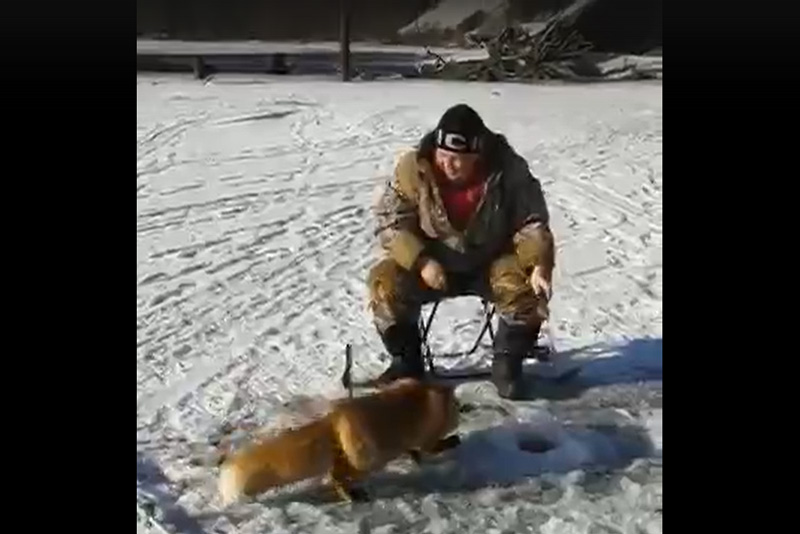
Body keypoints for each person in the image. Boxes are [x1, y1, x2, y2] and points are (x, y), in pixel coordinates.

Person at [367, 103, 556, 399]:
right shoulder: (413, 169)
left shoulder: (509, 171)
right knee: (385, 283)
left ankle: (508, 365)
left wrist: (539, 264)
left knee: (526, 289)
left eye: (457, 159)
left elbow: (531, 222)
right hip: (432, 265)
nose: (447, 165)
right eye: (443, 157)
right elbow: (391, 222)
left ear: (477, 156)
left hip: (491, 261)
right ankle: (407, 364)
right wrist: (421, 261)